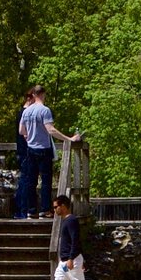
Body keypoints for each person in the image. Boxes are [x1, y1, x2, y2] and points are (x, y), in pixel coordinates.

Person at [34, 196, 108, 280]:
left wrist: (71, 258)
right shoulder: (65, 221)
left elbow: (76, 241)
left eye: (56, 207)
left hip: (70, 262)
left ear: (63, 206)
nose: (55, 209)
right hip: (65, 263)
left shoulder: (72, 220)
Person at [14, 85, 81, 218]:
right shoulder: (44, 110)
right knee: (45, 181)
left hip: (30, 149)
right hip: (43, 149)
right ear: (43, 94)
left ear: (33, 95)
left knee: (31, 182)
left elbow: (21, 131)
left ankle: (31, 210)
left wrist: (30, 136)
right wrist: (69, 139)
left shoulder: (26, 111)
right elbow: (51, 130)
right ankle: (44, 209)